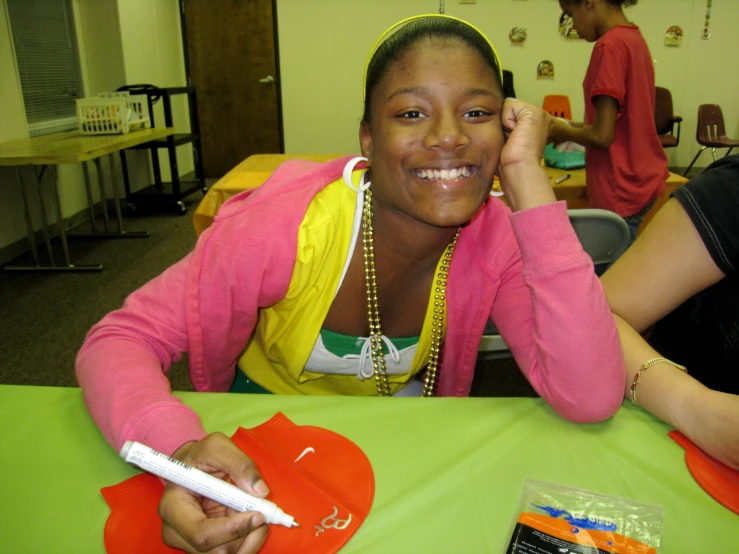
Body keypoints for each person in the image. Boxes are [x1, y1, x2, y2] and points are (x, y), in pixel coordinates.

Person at [76, 15, 626, 553]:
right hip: (260, 449)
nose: (449, 137)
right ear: (368, 135)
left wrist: (528, 179)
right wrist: (180, 449)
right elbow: (118, 340)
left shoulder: (496, 238)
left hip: (406, 445)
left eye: (477, 112)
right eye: (411, 112)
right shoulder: (281, 227)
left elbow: (591, 395)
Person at [602, 155, 739, 470]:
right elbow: (596, 319)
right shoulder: (728, 196)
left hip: (633, 191)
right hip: (669, 447)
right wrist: (698, 409)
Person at [549, 0, 669, 245]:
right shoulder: (633, 39)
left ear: (588, 3)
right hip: (643, 178)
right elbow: (618, 124)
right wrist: (568, 127)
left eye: (569, 15)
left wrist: (563, 130)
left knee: (611, 277)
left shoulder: (609, 46)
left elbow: (602, 136)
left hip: (620, 186)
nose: (573, 26)